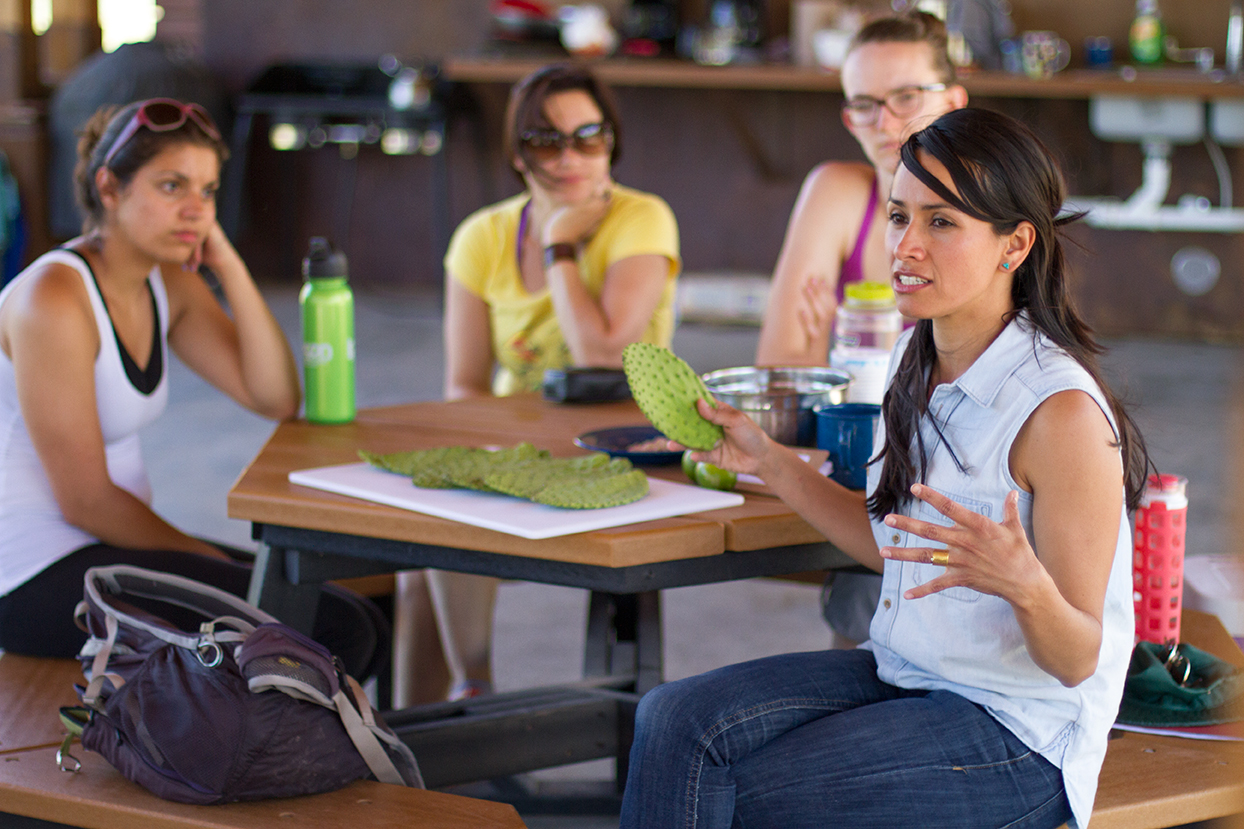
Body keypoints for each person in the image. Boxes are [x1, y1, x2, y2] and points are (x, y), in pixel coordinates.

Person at [620, 108, 1150, 829]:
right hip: (906, 673)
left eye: (941, 223)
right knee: (672, 719)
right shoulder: (912, 357)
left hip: (1018, 733)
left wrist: (1025, 586)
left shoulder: (1059, 415)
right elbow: (888, 541)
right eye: (899, 216)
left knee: (738, 793)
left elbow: (1078, 657)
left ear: (1014, 244)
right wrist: (767, 459)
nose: (905, 244)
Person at [0, 99, 385, 679]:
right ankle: (251, 766)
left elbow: (274, 396)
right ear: (110, 187)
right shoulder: (53, 298)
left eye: (208, 191)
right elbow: (83, 499)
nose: (195, 210)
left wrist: (226, 262)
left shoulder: (167, 285)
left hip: (107, 549)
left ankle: (364, 762)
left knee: (363, 600)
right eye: (172, 185)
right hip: (32, 576)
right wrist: (197, 558)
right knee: (332, 627)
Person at [394, 64, 680, 705]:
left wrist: (560, 247)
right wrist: (501, 456)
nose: (573, 156)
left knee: (430, 555)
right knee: (419, 559)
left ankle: (468, 709)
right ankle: (443, 733)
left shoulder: (642, 218)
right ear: (518, 154)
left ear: (612, 140)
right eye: (548, 141)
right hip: (520, 448)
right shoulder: (482, 236)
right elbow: (464, 385)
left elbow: (603, 353)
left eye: (589, 136)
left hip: (623, 450)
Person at [757, 11, 968, 649]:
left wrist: (846, 364)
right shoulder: (837, 190)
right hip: (866, 468)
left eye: (906, 96)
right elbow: (780, 380)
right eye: (865, 104)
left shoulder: (990, 204)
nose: (887, 121)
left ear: (954, 102)